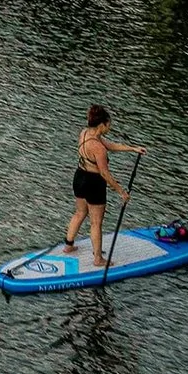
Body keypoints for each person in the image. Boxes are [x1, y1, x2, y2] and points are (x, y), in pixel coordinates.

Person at [64, 105, 145, 268]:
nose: (110, 127)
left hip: (79, 177)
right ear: (102, 124)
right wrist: (121, 192)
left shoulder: (85, 133)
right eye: (109, 125)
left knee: (80, 212)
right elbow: (104, 174)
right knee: (96, 222)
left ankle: (69, 246)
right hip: (93, 183)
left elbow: (111, 146)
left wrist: (132, 148)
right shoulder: (98, 148)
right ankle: (98, 259)